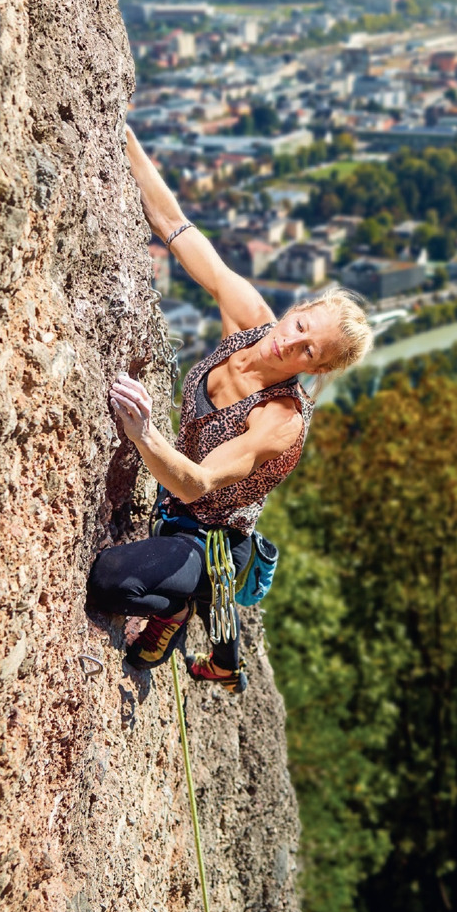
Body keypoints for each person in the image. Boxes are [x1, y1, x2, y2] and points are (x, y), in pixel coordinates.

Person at [86, 121, 373, 692]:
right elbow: (173, 224)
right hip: (176, 498)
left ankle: (178, 609)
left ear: (316, 368)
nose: (290, 341)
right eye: (300, 324)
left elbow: (196, 484)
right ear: (299, 307)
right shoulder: (250, 319)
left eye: (308, 349)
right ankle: (198, 614)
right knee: (126, 573)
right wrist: (118, 130)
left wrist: (145, 433)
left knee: (111, 584)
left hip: (208, 535)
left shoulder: (281, 419)